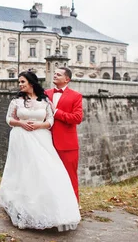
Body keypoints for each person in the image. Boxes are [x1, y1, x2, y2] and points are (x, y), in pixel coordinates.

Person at [0, 71, 81, 231]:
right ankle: (21, 207)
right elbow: (8, 118)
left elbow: (50, 120)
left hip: (42, 139)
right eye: (19, 82)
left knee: (45, 172)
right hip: (21, 140)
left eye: (23, 82)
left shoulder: (46, 100)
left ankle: (53, 208)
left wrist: (39, 125)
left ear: (31, 82)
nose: (20, 85)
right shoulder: (16, 100)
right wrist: (20, 123)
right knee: (21, 172)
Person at [45, 67, 83, 203]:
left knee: (70, 176)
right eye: (54, 73)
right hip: (46, 142)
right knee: (49, 176)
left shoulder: (76, 96)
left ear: (67, 79)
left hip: (67, 144)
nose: (54, 75)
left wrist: (56, 112)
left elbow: (77, 118)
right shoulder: (46, 94)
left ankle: (73, 205)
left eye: (58, 74)